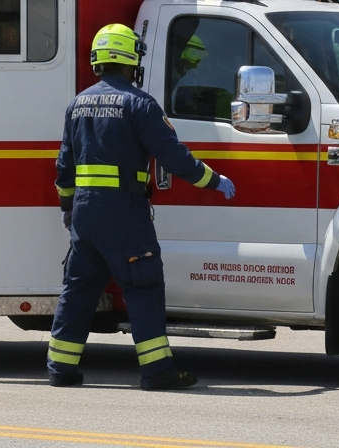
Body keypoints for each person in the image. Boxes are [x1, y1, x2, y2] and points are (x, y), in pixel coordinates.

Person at [47, 23, 236, 390]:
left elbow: (64, 167)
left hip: (85, 215)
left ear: (98, 61)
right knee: (143, 287)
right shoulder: (140, 104)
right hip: (124, 213)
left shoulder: (77, 104)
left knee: (78, 290)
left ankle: (60, 368)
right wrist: (213, 180)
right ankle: (157, 372)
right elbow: (174, 157)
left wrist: (68, 208)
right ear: (132, 60)